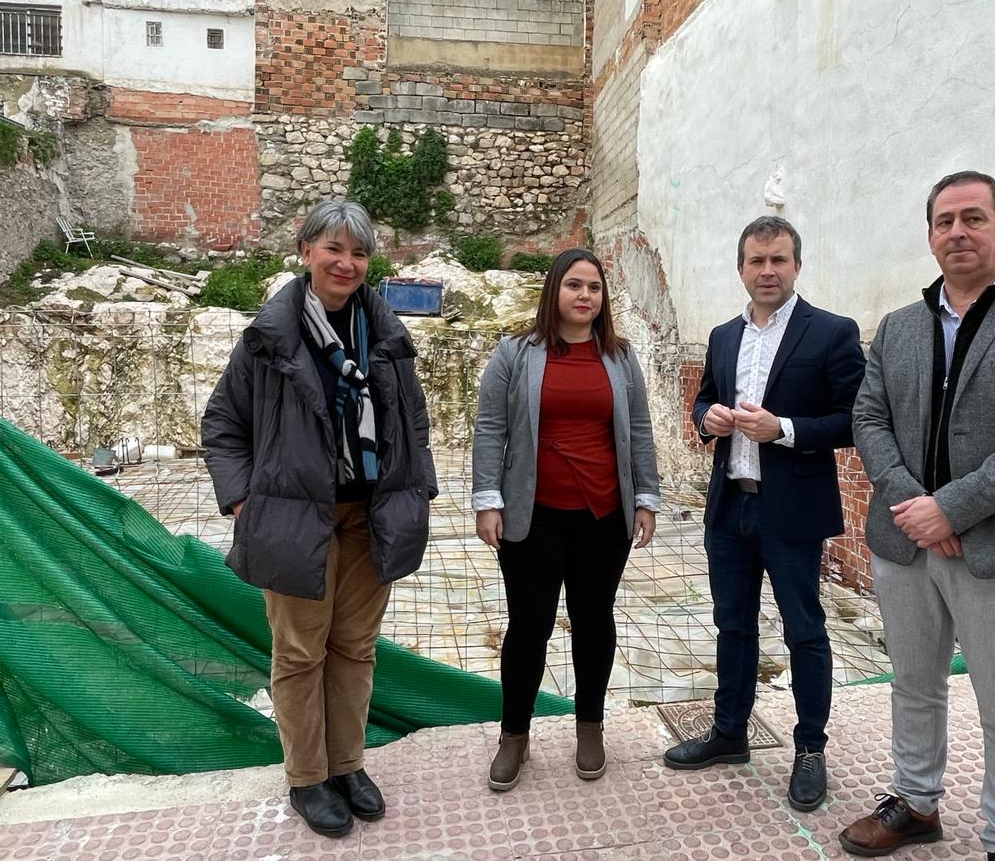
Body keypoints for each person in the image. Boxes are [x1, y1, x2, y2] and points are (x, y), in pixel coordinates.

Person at [838, 171, 995, 861]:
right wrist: (914, 507)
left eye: (974, 218)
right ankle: (915, 802)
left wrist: (950, 510)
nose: (958, 232)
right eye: (944, 221)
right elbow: (870, 418)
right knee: (913, 684)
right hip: (905, 545)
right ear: (929, 236)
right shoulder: (897, 329)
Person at [200, 200, 437, 839]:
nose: (347, 263)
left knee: (355, 647)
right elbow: (222, 425)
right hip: (295, 518)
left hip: (372, 513)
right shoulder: (269, 338)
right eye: (333, 248)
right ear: (305, 251)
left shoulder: (385, 337)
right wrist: (245, 501)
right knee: (300, 650)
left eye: (359, 253)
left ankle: (347, 765)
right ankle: (308, 776)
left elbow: (412, 423)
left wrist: (420, 493)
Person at [663, 216, 866, 814]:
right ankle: (730, 734)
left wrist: (785, 430)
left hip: (792, 512)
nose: (768, 270)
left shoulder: (830, 332)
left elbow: (854, 417)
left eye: (779, 259)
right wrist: (709, 419)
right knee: (733, 626)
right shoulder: (725, 335)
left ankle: (809, 749)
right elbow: (703, 398)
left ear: (797, 265)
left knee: (805, 630)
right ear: (741, 268)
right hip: (730, 507)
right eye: (757, 260)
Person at [472, 248, 660, 791]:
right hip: (533, 516)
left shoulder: (621, 358)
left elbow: (640, 432)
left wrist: (645, 498)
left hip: (603, 516)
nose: (585, 296)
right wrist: (488, 499)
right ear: (554, 290)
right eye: (575, 285)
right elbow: (489, 428)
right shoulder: (515, 354)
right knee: (528, 627)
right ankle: (514, 735)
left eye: (595, 289)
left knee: (594, 621)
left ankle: (590, 726)